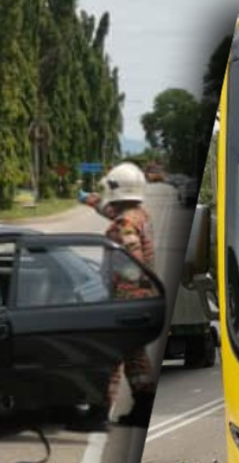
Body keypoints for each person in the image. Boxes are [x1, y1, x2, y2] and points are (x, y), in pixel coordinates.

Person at [81, 162, 157, 426]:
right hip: (141, 298)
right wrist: (90, 201)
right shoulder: (139, 214)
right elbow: (112, 213)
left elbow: (132, 259)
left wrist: (119, 284)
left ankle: (99, 411)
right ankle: (143, 406)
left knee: (109, 354)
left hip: (126, 298)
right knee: (135, 357)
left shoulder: (125, 223)